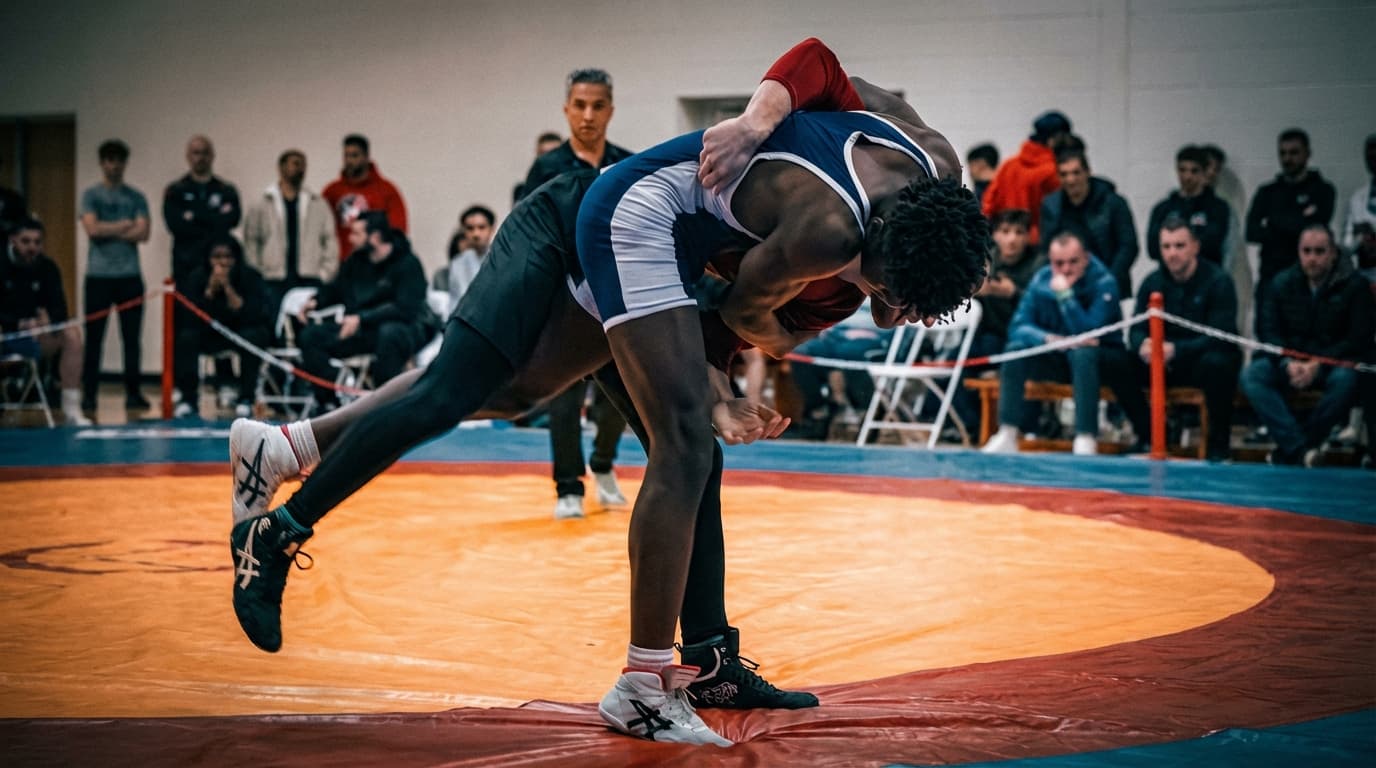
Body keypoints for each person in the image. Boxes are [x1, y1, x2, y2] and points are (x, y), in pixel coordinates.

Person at [228, 37, 987, 746]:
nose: (892, 313)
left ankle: (285, 446)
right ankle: (643, 682)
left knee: (532, 399)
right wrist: (759, 126)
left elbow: (842, 84)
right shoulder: (830, 235)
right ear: (879, 245)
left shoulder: (933, 167)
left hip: (649, 243)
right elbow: (743, 310)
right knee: (663, 437)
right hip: (617, 222)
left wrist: (720, 368)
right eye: (892, 294)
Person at [520, 67, 635, 519]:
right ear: (567, 110)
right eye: (580, 105)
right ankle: (568, 485)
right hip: (563, 303)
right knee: (564, 398)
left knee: (624, 396)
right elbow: (531, 237)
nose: (588, 115)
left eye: (598, 105)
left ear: (610, 110)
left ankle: (603, 464)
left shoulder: (627, 164)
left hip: (614, 302)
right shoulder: (545, 169)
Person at [1101, 216, 1241, 461]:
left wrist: (1177, 350)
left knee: (1219, 363)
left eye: (1179, 246)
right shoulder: (1152, 282)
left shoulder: (1218, 282)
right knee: (1114, 360)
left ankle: (1218, 445)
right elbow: (1136, 328)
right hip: (1160, 362)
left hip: (1198, 360)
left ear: (1195, 246)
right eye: (1166, 247)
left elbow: (1221, 335)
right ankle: (1148, 434)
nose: (1172, 253)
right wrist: (1143, 344)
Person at [1239, 224, 1373, 466]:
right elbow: (1268, 331)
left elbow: (1357, 339)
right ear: (1298, 252)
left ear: (1333, 252)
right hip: (1289, 363)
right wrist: (1288, 362)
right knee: (1252, 376)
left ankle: (1299, 446)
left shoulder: (1355, 286)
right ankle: (1300, 449)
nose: (1312, 258)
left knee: (1349, 379)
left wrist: (1317, 364)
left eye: (1319, 251)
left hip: (1332, 363)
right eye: (1307, 251)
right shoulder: (1281, 283)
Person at [981, 230, 1123, 456]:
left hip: (1100, 364)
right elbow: (1018, 326)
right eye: (1059, 263)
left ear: (1086, 258)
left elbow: (1088, 332)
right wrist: (1047, 339)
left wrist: (1066, 297)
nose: (1066, 269)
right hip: (1056, 357)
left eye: (1073, 262)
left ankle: (1085, 435)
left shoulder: (1104, 282)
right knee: (1015, 350)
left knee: (1083, 352)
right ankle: (1007, 431)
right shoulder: (1041, 280)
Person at [296, 213, 433, 408]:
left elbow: (406, 308)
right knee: (310, 336)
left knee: (389, 334)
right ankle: (333, 397)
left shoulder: (408, 263)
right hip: (362, 329)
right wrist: (316, 302)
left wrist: (361, 318)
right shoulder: (356, 261)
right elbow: (337, 289)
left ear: (374, 237)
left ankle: (384, 404)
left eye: (356, 233)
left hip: (404, 328)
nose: (350, 238)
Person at [80, 139, 151, 412]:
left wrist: (106, 227)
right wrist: (124, 225)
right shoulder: (90, 195)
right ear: (102, 163)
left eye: (118, 160)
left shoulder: (136, 197)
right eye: (109, 160)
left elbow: (143, 233)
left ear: (124, 163)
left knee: (131, 339)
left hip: (129, 276)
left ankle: (133, 393)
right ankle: (89, 394)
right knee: (94, 338)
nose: (114, 165)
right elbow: (92, 230)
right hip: (98, 276)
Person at [0, 217, 91, 425]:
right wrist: (18, 324)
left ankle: (71, 408)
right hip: (5, 334)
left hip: (35, 336)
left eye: (37, 242)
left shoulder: (48, 268)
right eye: (26, 241)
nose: (32, 247)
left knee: (71, 333)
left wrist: (48, 320)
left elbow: (60, 308)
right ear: (13, 240)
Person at [173, 235, 272, 418]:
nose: (222, 263)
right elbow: (192, 315)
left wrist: (227, 287)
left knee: (255, 336)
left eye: (227, 257)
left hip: (240, 331)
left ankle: (246, 398)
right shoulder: (197, 277)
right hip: (210, 333)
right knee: (186, 338)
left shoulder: (249, 276)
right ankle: (188, 399)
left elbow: (251, 312)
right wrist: (210, 290)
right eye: (217, 257)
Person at [242, 149, 339, 320]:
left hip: (308, 277)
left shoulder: (317, 204)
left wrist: (324, 274)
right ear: (281, 167)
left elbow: (330, 240)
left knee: (305, 323)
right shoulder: (263, 203)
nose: (300, 168)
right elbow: (251, 241)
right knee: (274, 324)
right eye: (295, 163)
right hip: (274, 278)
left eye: (303, 165)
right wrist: (259, 273)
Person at [1246, 128, 1337, 304]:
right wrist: (1298, 222)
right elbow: (1251, 232)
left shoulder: (1322, 190)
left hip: (1308, 277)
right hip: (1271, 274)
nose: (1287, 159)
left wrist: (1274, 224)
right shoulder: (1267, 192)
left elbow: (1316, 230)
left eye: (1294, 152)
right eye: (1283, 153)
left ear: (1307, 154)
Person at [1039, 146, 1138, 297]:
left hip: (1110, 282)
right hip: (1068, 287)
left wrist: (1109, 281)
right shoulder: (1052, 206)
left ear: (1088, 172)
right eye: (1064, 174)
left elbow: (1128, 246)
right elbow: (1047, 249)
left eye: (1076, 172)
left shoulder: (1113, 203)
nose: (1070, 180)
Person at [981, 110, 1072, 245]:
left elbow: (988, 205)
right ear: (1054, 139)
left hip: (1005, 244)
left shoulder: (1009, 166)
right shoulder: (1053, 172)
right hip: (1038, 246)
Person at [163, 135, 242, 284]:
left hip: (218, 264)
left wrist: (194, 216)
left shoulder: (226, 190)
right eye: (196, 153)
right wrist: (213, 216)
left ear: (212, 156)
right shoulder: (175, 191)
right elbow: (176, 226)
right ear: (188, 156)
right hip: (185, 263)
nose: (201, 158)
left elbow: (233, 220)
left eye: (205, 153)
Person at [322, 134, 408, 261]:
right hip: (340, 264)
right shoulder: (332, 191)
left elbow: (397, 230)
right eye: (346, 155)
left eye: (355, 155)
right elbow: (321, 228)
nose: (350, 160)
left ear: (366, 156)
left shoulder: (386, 190)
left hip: (375, 264)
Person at [1145, 145, 1230, 268]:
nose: (1187, 176)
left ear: (1204, 173)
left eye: (1194, 171)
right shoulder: (1163, 208)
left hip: (1206, 276)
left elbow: (1212, 245)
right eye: (1182, 170)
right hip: (1170, 276)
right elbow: (1153, 248)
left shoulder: (1217, 208)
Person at [433, 204, 495, 297]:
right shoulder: (458, 264)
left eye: (481, 227)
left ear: (491, 229)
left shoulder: (501, 259)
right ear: (464, 230)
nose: (476, 234)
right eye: (470, 228)